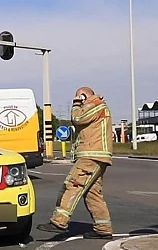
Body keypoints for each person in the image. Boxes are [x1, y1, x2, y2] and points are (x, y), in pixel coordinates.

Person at [37, 86, 114, 239]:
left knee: (73, 185)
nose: (77, 99)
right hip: (96, 155)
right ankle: (103, 227)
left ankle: (59, 222)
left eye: (79, 96)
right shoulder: (96, 107)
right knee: (92, 194)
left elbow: (77, 119)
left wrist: (76, 104)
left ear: (85, 96)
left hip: (92, 155)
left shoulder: (95, 105)